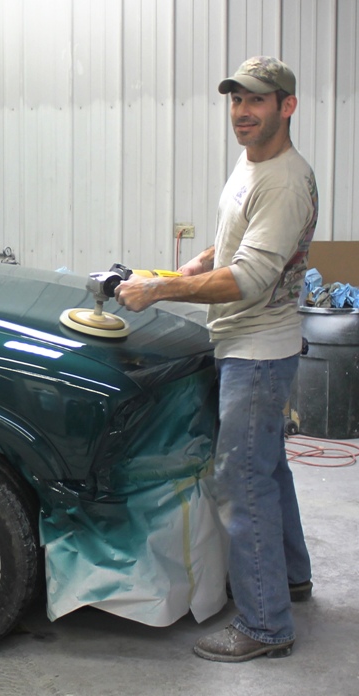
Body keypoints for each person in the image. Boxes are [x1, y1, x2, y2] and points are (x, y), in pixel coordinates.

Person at [114, 56, 317, 662]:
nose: (242, 112)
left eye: (256, 100)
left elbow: (251, 277)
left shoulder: (283, 180)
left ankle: (265, 625)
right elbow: (241, 239)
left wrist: (160, 291)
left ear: (287, 106)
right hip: (248, 345)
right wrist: (202, 261)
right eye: (236, 100)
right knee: (267, 469)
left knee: (241, 480)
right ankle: (290, 579)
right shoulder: (252, 161)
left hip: (257, 351)